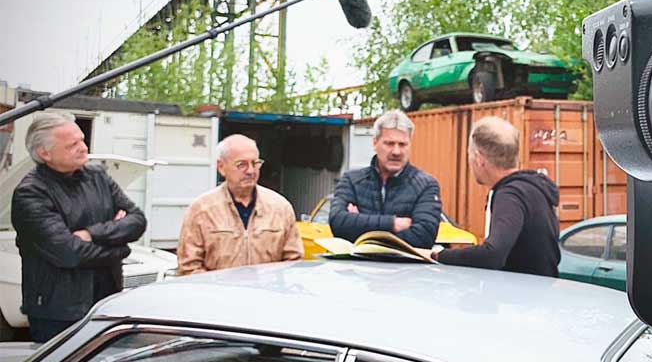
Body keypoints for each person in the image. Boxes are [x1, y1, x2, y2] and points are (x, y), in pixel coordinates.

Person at [11, 112, 146, 342]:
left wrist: (92, 234)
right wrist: (120, 249)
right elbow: (69, 253)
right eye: (72, 144)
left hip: (107, 303)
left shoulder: (98, 176)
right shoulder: (30, 194)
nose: (83, 147)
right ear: (45, 153)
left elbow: (137, 220)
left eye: (82, 140)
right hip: (59, 314)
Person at [435, 116, 560, 277]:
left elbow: (493, 255)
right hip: (542, 293)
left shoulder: (510, 195)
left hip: (523, 298)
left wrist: (439, 255)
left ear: (479, 159)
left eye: (470, 155)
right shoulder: (533, 188)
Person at [177, 134, 302, 275]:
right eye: (241, 164)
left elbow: (293, 263)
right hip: (217, 295)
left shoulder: (280, 208)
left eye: (255, 163)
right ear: (221, 167)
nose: (250, 171)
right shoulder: (201, 210)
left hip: (266, 294)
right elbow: (188, 267)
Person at [329, 110, 441, 248]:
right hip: (357, 268)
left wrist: (359, 224)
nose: (396, 151)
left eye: (402, 144)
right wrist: (393, 223)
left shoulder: (426, 185)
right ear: (375, 143)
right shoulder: (351, 180)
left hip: (406, 269)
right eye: (389, 143)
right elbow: (338, 223)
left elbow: (423, 237)